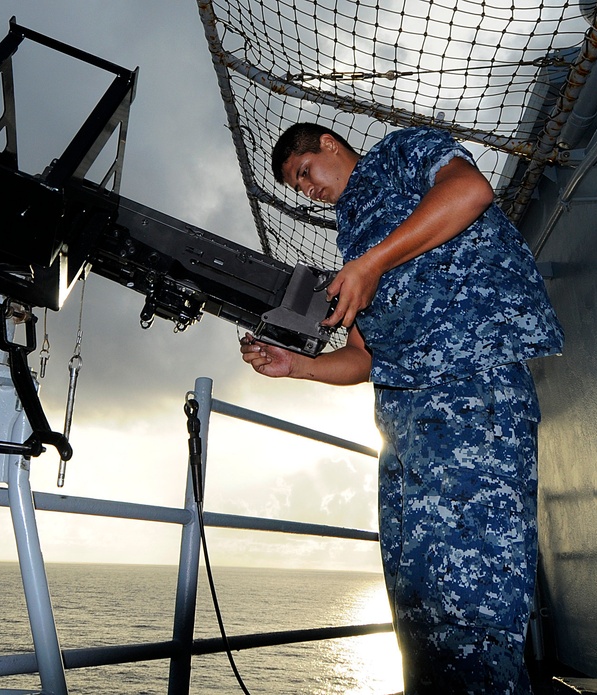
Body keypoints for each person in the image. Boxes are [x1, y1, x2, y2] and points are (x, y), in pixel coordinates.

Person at [241, 123, 564, 693]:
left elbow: (469, 191)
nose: (306, 190)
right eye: (298, 187)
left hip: (471, 396)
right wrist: (299, 367)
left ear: (328, 145)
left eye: (304, 173)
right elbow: (363, 357)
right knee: (420, 609)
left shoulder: (396, 156)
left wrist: (371, 266)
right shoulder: (352, 236)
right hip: (408, 428)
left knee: (475, 605)